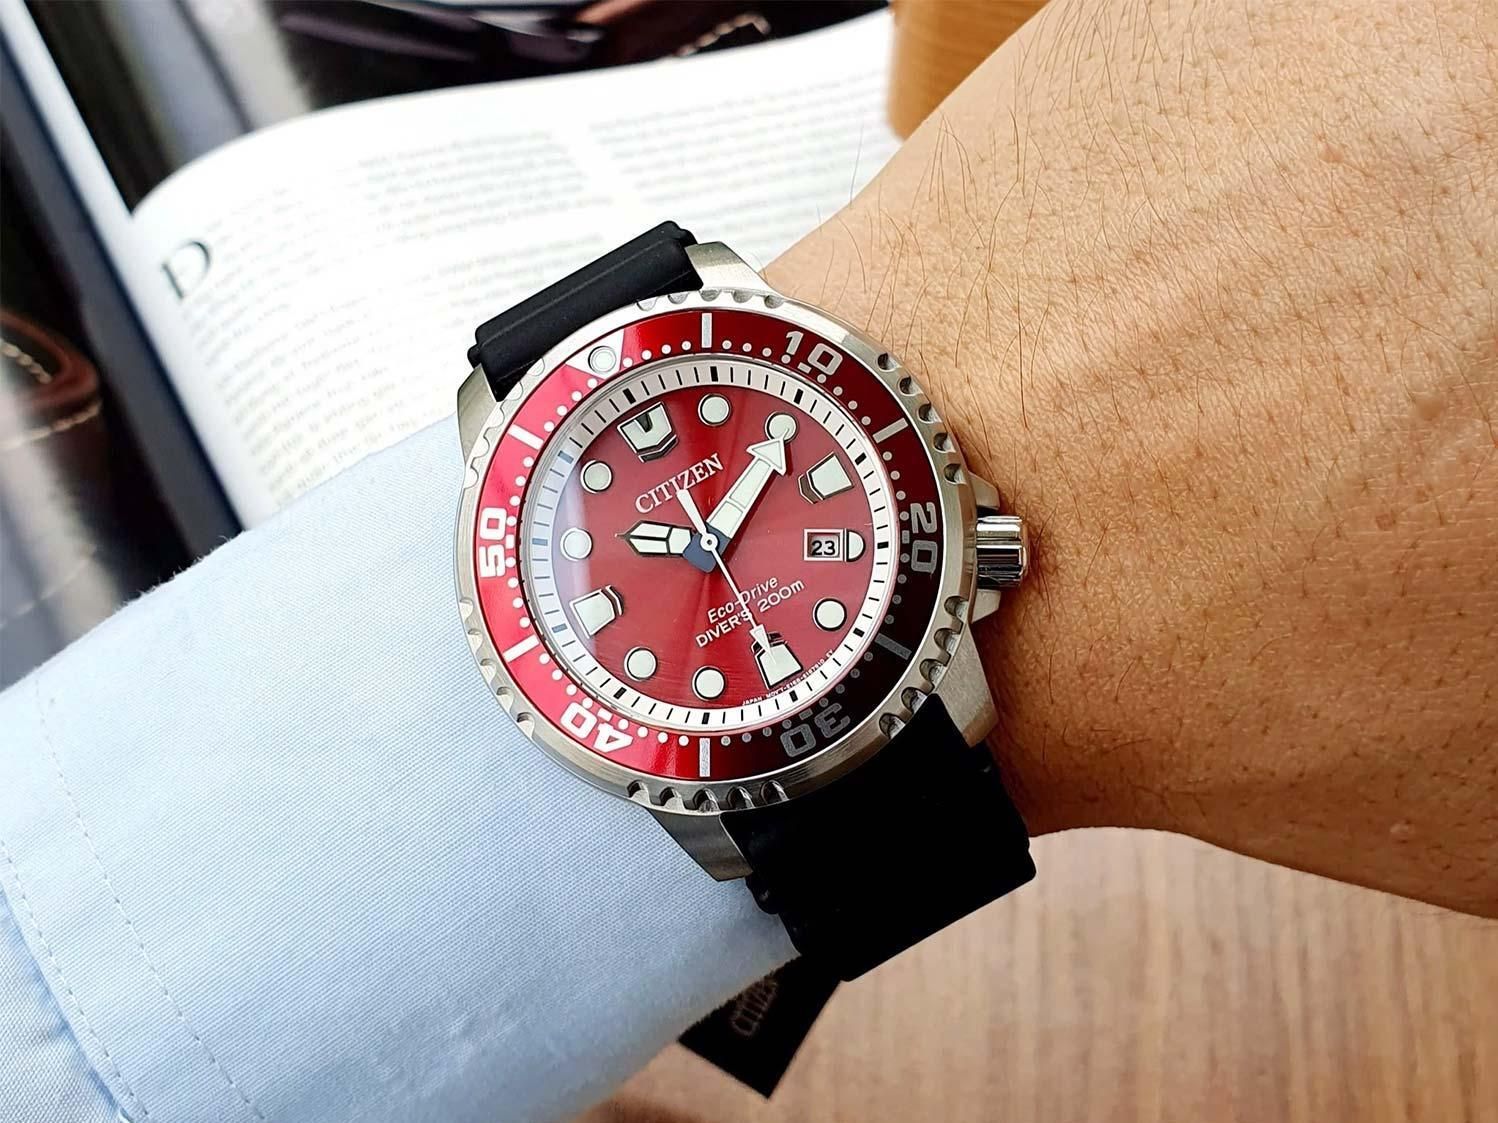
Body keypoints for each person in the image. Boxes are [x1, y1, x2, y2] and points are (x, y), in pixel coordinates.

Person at [2, 0, 1493, 1118]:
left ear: (968, 546)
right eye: (692, 535)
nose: (712, 542)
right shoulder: (581, 585)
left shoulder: (864, 533)